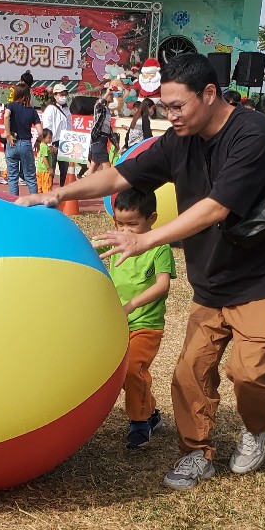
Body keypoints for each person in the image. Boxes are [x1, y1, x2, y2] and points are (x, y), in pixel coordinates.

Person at [19, 53, 265, 488]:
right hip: (213, 278)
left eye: (177, 106)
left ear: (208, 94)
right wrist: (57, 195)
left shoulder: (253, 135)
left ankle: (258, 425)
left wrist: (145, 240)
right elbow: (119, 177)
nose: (169, 116)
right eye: (164, 107)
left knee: (252, 375)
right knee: (190, 373)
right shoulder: (179, 141)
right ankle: (196, 452)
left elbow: (216, 207)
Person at [108, 186, 176, 450]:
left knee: (132, 369)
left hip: (146, 325)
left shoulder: (159, 248)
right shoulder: (115, 244)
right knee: (119, 372)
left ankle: (140, 422)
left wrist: (132, 305)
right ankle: (151, 412)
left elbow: (162, 285)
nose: (125, 231)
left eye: (132, 224)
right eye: (120, 223)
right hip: (117, 323)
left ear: (152, 218)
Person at [3, 81, 42, 195]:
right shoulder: (32, 111)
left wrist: (8, 134)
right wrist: (38, 141)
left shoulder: (11, 106)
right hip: (25, 143)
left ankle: (14, 201)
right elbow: (40, 132)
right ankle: (34, 201)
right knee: (30, 176)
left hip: (12, 142)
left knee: (12, 176)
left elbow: (6, 116)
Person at [42, 82, 71, 186]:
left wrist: (70, 142)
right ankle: (48, 191)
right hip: (53, 143)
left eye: (65, 94)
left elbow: (69, 127)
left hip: (64, 143)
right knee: (51, 171)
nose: (63, 97)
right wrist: (49, 145)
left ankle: (63, 192)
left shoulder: (67, 110)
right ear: (55, 95)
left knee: (65, 171)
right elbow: (47, 127)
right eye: (61, 94)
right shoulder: (50, 109)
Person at [86, 85, 114, 175]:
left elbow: (108, 128)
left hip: (103, 139)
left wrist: (115, 143)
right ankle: (107, 183)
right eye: (111, 94)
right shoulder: (100, 107)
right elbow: (99, 103)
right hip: (98, 138)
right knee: (106, 166)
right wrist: (107, 92)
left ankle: (85, 181)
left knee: (95, 164)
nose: (112, 96)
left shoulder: (107, 110)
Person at [35, 127, 54, 192]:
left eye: (51, 138)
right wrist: (49, 168)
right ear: (43, 137)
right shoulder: (45, 147)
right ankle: (46, 198)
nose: (50, 139)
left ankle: (40, 198)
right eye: (49, 138)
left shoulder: (40, 145)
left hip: (40, 170)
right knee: (47, 187)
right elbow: (44, 158)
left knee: (39, 188)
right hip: (45, 171)